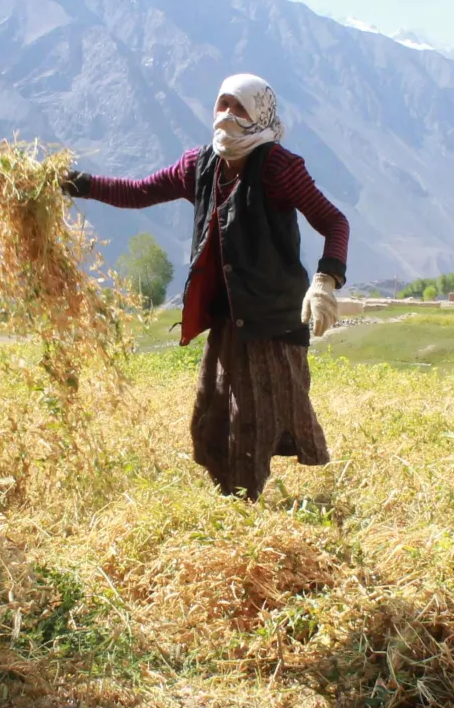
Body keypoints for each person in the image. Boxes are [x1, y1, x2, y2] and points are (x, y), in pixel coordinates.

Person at [63, 73, 350, 500]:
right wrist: (73, 183)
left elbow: (334, 222)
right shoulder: (200, 166)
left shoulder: (277, 167)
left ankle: (244, 507)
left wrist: (325, 280)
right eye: (223, 105)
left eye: (240, 109)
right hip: (229, 318)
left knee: (255, 417)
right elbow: (138, 192)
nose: (228, 117)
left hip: (270, 318)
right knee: (213, 418)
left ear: (260, 116)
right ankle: (231, 497)